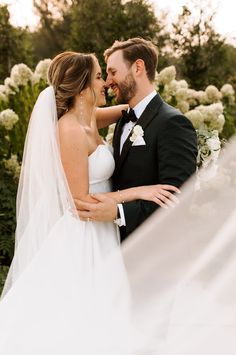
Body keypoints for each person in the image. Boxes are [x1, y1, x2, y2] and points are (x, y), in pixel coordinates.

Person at [0, 51, 179, 354]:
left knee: (109, 312)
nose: (106, 83)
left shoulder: (88, 118)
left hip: (104, 230)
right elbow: (80, 200)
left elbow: (131, 111)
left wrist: (148, 106)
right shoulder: (69, 129)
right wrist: (138, 191)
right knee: (82, 319)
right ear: (82, 87)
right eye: (99, 76)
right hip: (84, 237)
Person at [76, 38, 198, 241]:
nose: (107, 82)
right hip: (111, 241)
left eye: (113, 72)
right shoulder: (123, 118)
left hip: (152, 250)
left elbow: (179, 200)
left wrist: (119, 212)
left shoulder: (173, 123)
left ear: (138, 67)